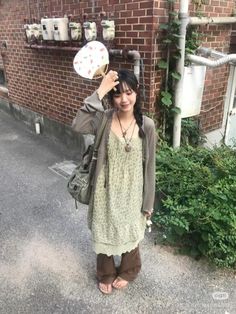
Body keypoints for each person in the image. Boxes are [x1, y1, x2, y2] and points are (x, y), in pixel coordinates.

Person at [72, 69, 156, 294]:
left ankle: (129, 270)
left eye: (129, 93)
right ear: (111, 97)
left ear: (137, 93)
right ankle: (106, 273)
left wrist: (148, 202)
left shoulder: (147, 125)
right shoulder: (104, 119)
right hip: (104, 190)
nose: (124, 99)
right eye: (117, 95)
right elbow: (78, 125)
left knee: (130, 232)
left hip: (133, 191)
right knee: (104, 232)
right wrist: (100, 91)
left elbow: (150, 167)